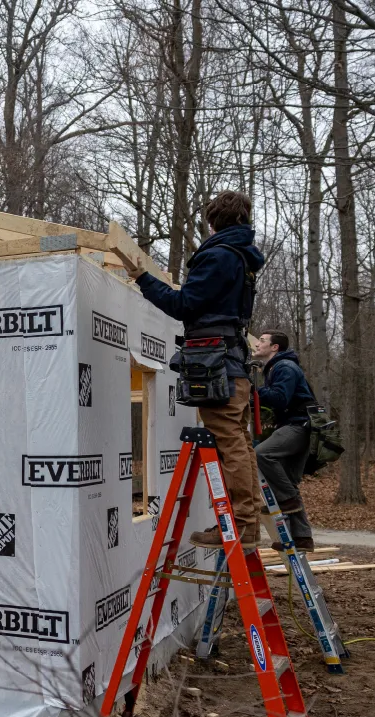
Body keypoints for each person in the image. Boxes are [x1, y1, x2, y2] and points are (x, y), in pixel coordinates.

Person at [128, 191, 265, 549]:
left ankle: (242, 527)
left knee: (229, 439)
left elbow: (183, 304)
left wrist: (143, 278)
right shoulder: (241, 257)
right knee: (239, 439)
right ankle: (249, 522)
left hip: (217, 363)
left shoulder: (219, 256)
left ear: (212, 222)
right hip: (232, 362)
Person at [252, 330, 317, 551]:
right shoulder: (277, 368)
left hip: (298, 426)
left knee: (261, 454)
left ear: (274, 348)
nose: (258, 344)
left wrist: (252, 392)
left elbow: (280, 398)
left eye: (262, 341)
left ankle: (287, 500)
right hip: (299, 427)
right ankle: (303, 538)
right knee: (289, 482)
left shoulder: (284, 367)